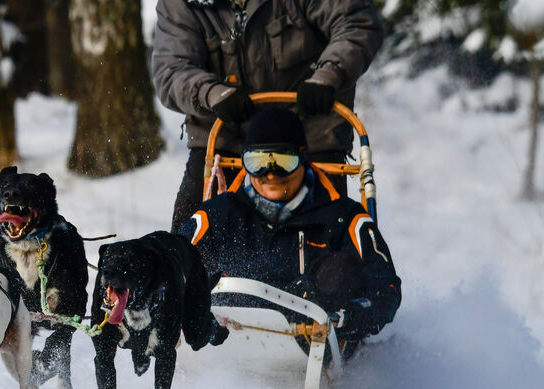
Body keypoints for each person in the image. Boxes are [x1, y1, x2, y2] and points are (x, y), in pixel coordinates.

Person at [178, 107, 400, 354]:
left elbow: (386, 288)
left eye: (283, 162)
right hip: (229, 343)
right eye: (258, 163)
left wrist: (350, 316)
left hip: (319, 347)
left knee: (342, 268)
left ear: (303, 159)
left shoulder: (344, 217)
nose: (270, 174)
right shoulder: (220, 214)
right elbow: (172, 262)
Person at [151, 0, 384, 233]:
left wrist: (328, 76)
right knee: (186, 236)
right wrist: (211, 93)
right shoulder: (181, 4)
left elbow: (355, 22)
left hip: (309, 134)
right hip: (224, 137)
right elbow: (171, 69)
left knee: (330, 236)